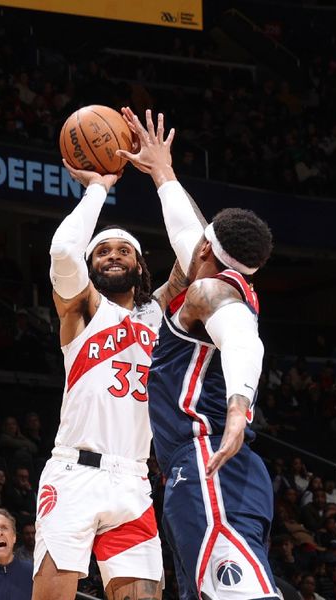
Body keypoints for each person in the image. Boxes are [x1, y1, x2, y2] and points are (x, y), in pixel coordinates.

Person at [119, 109, 280, 600]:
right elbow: (184, 229)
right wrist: (163, 171)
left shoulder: (210, 294)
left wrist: (238, 410)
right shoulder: (214, 271)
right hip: (208, 470)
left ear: (209, 250)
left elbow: (242, 341)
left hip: (208, 459)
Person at [33, 137, 170, 600]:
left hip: (133, 480)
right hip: (75, 474)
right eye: (103, 252)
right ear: (92, 268)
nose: (113, 255)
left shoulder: (158, 316)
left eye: (123, 250)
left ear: (139, 265)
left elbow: (197, 259)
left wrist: (163, 174)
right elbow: (61, 254)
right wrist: (97, 189)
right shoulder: (83, 310)